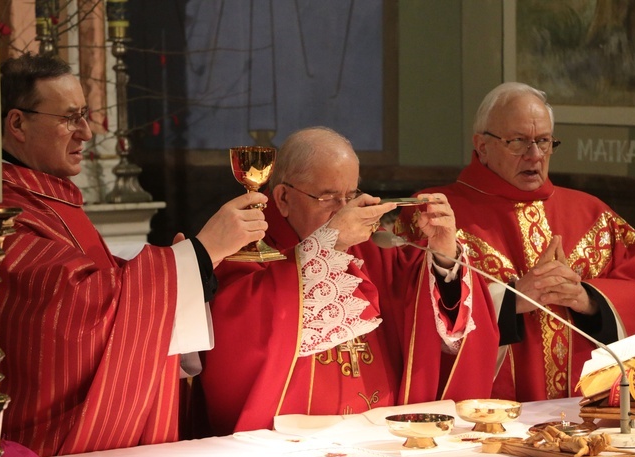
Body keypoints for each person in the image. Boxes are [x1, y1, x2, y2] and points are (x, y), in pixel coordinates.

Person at [0, 52, 268, 457]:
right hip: (19, 451)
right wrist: (196, 257)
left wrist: (183, 269)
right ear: (17, 124)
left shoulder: (42, 198)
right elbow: (65, 315)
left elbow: (97, 281)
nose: (86, 132)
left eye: (86, 115)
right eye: (70, 117)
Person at [197, 126, 500, 436]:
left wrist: (444, 253)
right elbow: (236, 339)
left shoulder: (371, 251)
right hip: (290, 444)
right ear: (283, 198)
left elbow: (420, 305)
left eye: (351, 196)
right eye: (328, 198)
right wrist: (329, 245)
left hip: (381, 437)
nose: (344, 212)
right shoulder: (246, 251)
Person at [396, 82, 635, 402]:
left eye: (543, 141)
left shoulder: (593, 213)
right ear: (481, 145)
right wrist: (511, 300)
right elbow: (408, 311)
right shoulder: (435, 213)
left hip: (585, 411)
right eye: (518, 142)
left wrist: (588, 300)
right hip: (485, 414)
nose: (535, 155)